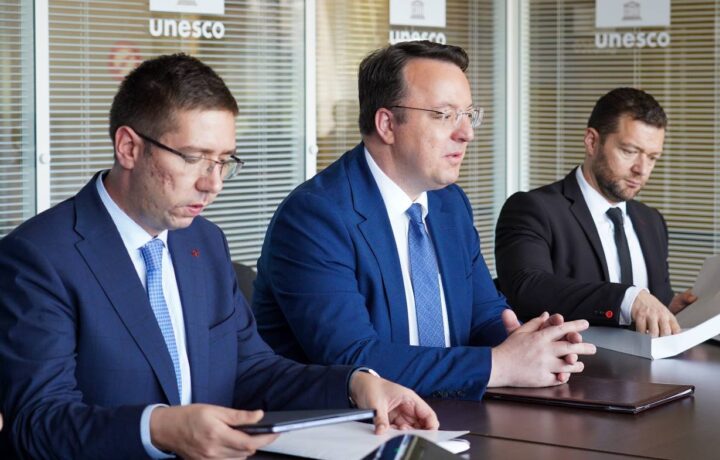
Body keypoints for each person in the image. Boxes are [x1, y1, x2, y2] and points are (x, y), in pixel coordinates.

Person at [0, 53, 438, 460]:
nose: (213, 183)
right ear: (129, 148)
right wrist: (159, 429)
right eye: (194, 158)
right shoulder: (39, 258)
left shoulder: (204, 242)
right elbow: (37, 422)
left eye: (224, 160)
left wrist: (356, 384)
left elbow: (250, 371)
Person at [252, 41, 595, 401]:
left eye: (468, 115)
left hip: (453, 411)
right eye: (444, 115)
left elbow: (483, 315)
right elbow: (353, 359)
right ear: (387, 124)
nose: (466, 133)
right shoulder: (315, 216)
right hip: (354, 423)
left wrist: (529, 343)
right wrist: (499, 365)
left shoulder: (449, 202)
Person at [495, 87, 696, 338]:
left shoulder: (652, 220)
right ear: (592, 141)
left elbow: (652, 300)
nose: (642, 169)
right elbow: (527, 289)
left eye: (653, 157)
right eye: (629, 151)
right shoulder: (533, 209)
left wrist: (668, 309)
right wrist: (627, 299)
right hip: (574, 360)